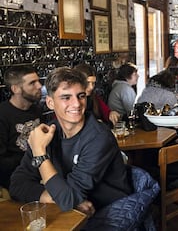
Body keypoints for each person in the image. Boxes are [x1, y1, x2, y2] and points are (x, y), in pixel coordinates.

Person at [9, 67, 132, 216]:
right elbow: (16, 184)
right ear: (50, 103)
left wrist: (39, 153)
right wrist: (53, 197)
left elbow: (67, 199)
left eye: (81, 96)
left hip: (112, 213)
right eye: (66, 97)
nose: (77, 104)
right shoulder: (47, 133)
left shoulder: (99, 138)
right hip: (73, 212)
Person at [0, 66, 43, 189]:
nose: (39, 86)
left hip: (40, 170)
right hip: (15, 179)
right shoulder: (3, 115)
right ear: (16, 89)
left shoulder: (37, 110)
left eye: (38, 81)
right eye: (32, 83)